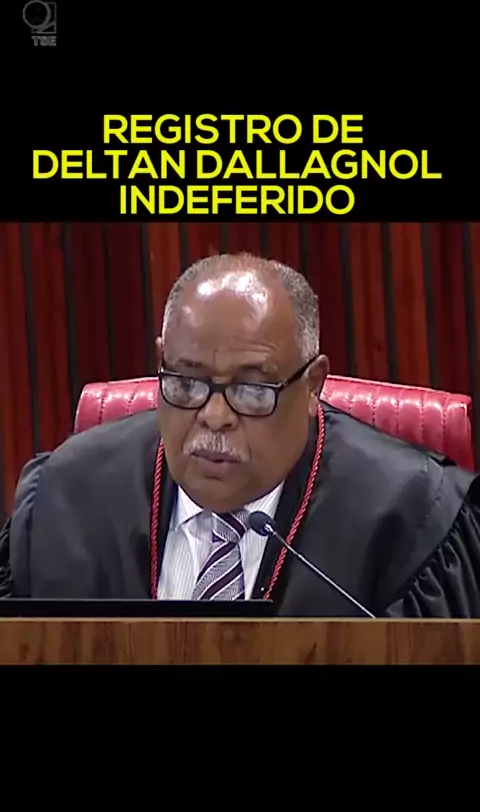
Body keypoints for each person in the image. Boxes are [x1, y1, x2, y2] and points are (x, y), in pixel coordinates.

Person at [1, 252, 480, 617]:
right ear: (162, 362)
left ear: (312, 385)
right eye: (187, 382)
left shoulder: (414, 526)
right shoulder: (62, 503)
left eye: (251, 390)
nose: (214, 416)